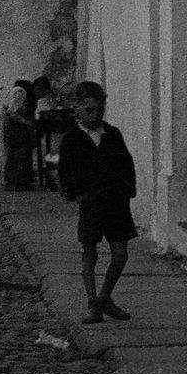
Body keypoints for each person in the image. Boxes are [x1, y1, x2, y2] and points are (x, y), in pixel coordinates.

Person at [56, 80, 138, 324]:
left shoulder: (112, 134)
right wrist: (76, 194)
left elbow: (126, 165)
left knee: (120, 255)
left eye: (99, 110)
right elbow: (65, 171)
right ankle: (93, 303)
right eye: (89, 110)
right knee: (89, 251)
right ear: (77, 110)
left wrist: (126, 191)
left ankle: (104, 297)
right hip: (91, 203)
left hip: (115, 203)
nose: (95, 115)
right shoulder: (72, 139)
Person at [2, 79, 35, 190]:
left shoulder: (14, 94)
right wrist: (24, 121)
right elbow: (11, 112)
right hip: (16, 130)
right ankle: (16, 182)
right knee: (19, 154)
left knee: (15, 155)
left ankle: (14, 181)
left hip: (14, 130)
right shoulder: (20, 93)